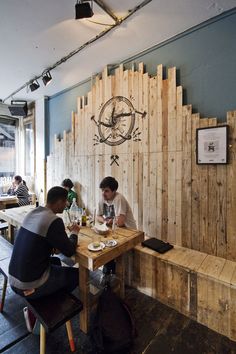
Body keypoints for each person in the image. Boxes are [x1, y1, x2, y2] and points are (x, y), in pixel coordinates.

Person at [8, 186, 80, 330]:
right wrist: (74, 233)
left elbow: (38, 242)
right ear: (59, 202)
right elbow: (69, 250)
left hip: (14, 278)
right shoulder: (54, 221)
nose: (66, 204)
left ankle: (46, 295)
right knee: (77, 275)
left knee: (56, 261)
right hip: (28, 286)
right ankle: (47, 306)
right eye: (65, 201)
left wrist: (51, 246)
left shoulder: (33, 213)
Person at [97, 176, 136, 278]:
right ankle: (108, 273)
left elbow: (120, 222)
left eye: (106, 191)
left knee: (110, 247)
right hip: (115, 230)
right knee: (103, 243)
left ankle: (111, 274)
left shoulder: (119, 199)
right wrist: (106, 221)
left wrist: (107, 221)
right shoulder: (103, 198)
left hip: (129, 231)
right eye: (102, 190)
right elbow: (98, 216)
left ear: (114, 191)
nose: (103, 193)